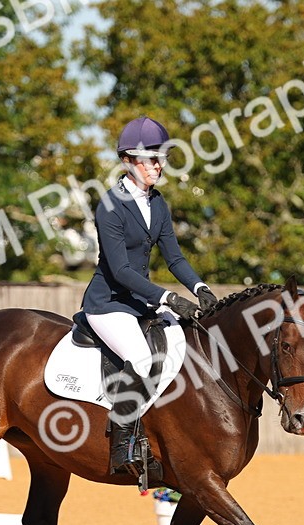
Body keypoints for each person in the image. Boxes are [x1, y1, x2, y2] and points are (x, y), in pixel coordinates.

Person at [81, 115, 218, 479]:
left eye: (161, 158)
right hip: (108, 303)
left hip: (140, 302)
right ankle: (122, 446)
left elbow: (174, 257)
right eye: (151, 159)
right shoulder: (109, 205)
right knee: (141, 359)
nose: (158, 165)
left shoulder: (158, 204)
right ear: (128, 161)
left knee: (183, 346)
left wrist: (200, 288)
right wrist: (168, 298)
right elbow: (122, 271)